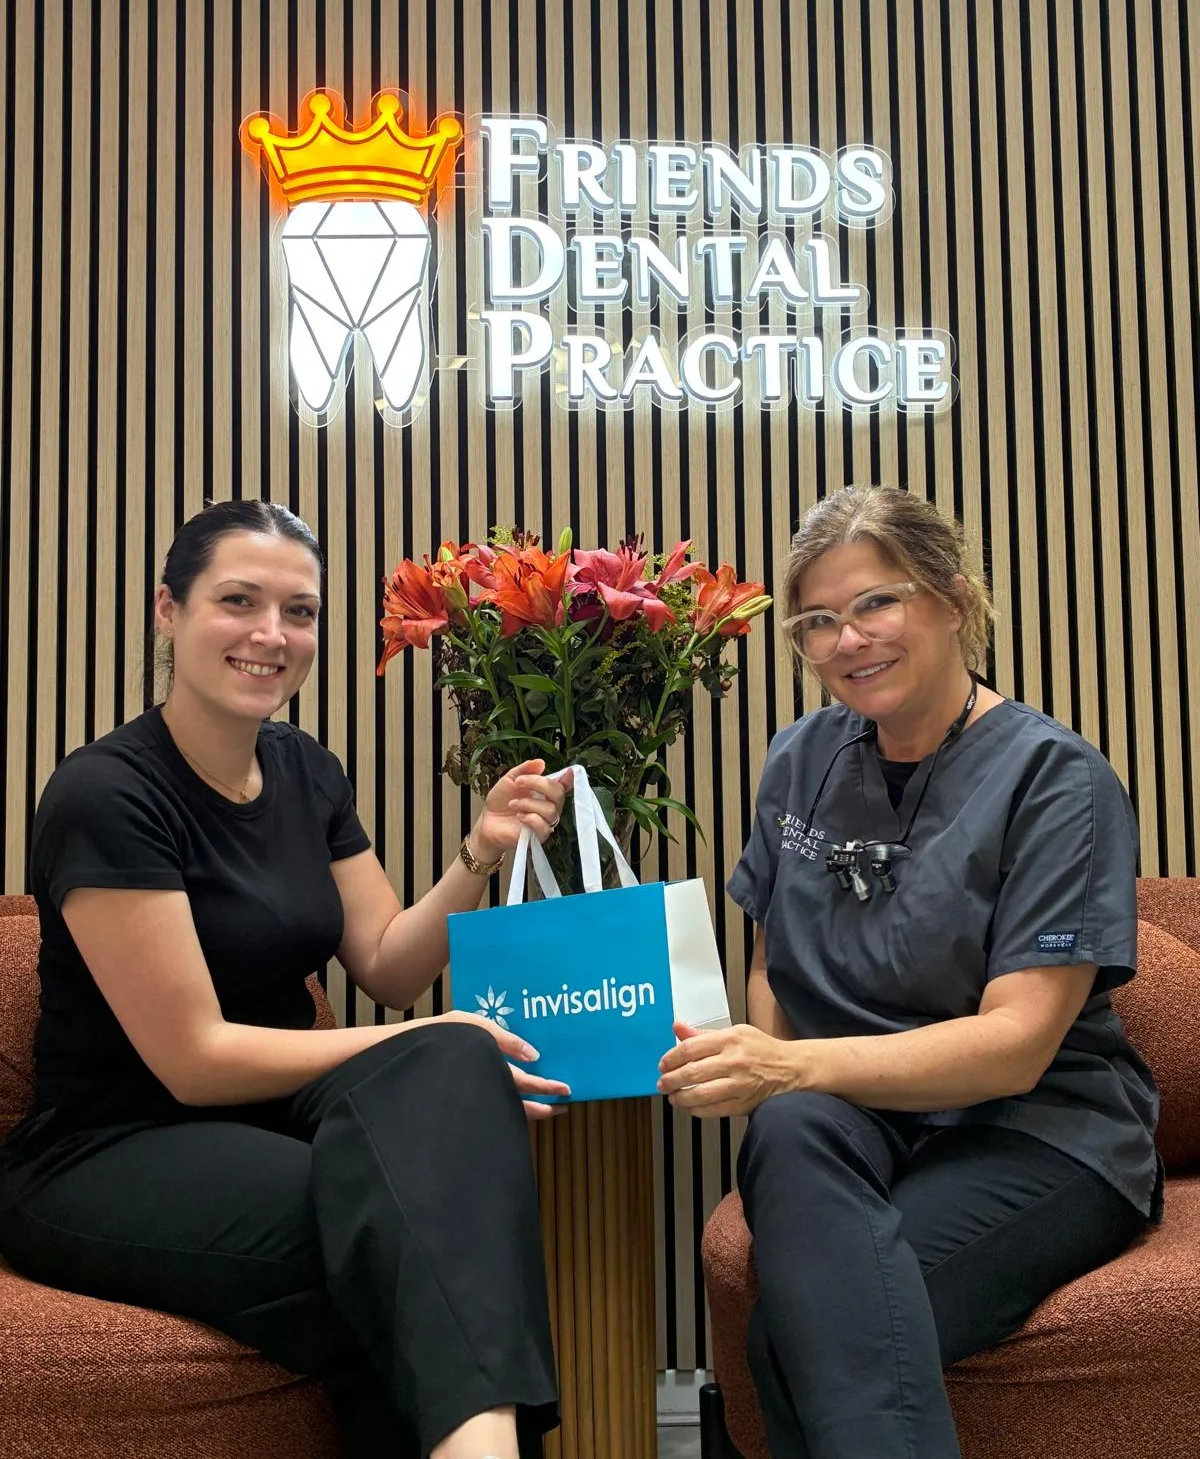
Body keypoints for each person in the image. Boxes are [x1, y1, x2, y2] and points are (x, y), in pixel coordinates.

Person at [0, 499, 573, 1459]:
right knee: (417, 1220)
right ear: (169, 611)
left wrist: (481, 851)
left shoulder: (306, 769)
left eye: (299, 611)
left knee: (445, 1092)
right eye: (238, 600)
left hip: (275, 1120)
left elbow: (389, 965)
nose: (271, 634)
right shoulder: (106, 793)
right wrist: (431, 1036)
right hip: (113, 1145)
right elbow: (193, 1061)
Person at [657, 485, 1159, 1459]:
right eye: (817, 621)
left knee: (800, 1334)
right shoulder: (799, 758)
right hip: (850, 1119)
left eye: (876, 602)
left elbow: (1016, 1047)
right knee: (791, 1126)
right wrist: (778, 1073)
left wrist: (790, 1067)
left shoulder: (1057, 779)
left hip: (1034, 1130)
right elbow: (772, 960)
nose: (848, 640)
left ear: (954, 598)